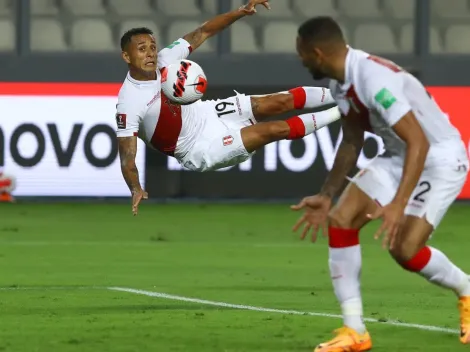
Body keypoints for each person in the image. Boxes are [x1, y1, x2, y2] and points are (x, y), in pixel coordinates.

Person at [291, 16, 470, 352]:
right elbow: (351, 141)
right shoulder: (339, 84)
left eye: (301, 54)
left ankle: (467, 290)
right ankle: (355, 331)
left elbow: (420, 142)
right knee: (341, 220)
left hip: (440, 158)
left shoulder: (373, 80)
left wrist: (398, 204)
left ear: (316, 53)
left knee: (404, 250)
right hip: (398, 154)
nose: (300, 60)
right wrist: (327, 195)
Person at [115, 1, 341, 215]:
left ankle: (344, 94)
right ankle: (343, 110)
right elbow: (127, 155)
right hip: (198, 147)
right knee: (271, 130)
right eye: (142, 49)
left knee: (279, 101)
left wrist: (241, 11)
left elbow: (203, 31)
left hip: (209, 112)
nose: (150, 54)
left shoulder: (166, 60)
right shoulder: (129, 102)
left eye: (152, 47)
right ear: (126, 56)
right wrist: (135, 187)